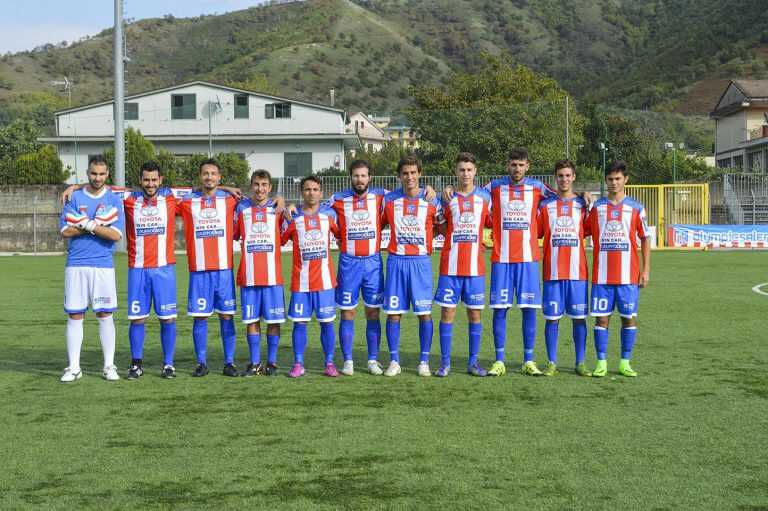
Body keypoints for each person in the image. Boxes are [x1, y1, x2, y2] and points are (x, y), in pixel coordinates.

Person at [482, 148, 556, 376]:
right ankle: (499, 360)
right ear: (508, 165)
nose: (517, 169)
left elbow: (562, 196)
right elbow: (472, 193)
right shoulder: (495, 186)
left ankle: (528, 360)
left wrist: (584, 196)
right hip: (502, 259)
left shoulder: (537, 187)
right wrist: (446, 189)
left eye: (521, 165)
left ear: (527, 166)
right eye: (513, 164)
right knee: (500, 309)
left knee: (529, 309)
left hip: (528, 259)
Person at [59, 155, 125, 382]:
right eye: (94, 173)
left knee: (105, 314)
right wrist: (96, 225)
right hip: (76, 264)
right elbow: (65, 231)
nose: (97, 178)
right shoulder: (74, 196)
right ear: (87, 173)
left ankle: (109, 366)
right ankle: (74, 367)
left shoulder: (114, 199)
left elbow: (115, 235)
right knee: (75, 314)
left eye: (102, 174)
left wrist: (84, 222)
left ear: (108, 174)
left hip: (103, 266)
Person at [585, 161, 651, 377]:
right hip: (602, 276)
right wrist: (583, 201)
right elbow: (582, 230)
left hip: (628, 276)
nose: (614, 183)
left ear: (626, 180)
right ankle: (601, 363)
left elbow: (645, 238)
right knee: (601, 320)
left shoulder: (636, 207)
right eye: (610, 179)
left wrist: (646, 270)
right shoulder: (597, 208)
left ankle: (625, 362)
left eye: (618, 179)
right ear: (606, 181)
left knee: (628, 318)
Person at [380, 155, 445, 377]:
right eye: (405, 173)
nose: (409, 177)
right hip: (396, 262)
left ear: (420, 174)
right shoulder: (389, 200)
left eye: (413, 173)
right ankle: (394, 361)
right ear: (399, 176)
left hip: (420, 263)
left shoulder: (431, 200)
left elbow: (442, 227)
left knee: (424, 313)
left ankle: (424, 361)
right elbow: (376, 221)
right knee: (393, 314)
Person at [177, 159, 240, 377]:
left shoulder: (230, 200)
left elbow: (260, 200)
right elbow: (162, 195)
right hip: (199, 271)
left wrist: (281, 199)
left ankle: (229, 362)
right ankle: (201, 363)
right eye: (205, 173)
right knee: (200, 317)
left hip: (224, 270)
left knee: (226, 316)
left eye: (213, 174)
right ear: (200, 177)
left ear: (219, 177)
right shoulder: (188, 201)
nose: (209, 177)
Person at [328, 160, 388, 376]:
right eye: (356, 176)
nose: (359, 179)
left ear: (370, 177)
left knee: (373, 311)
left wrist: (430, 190)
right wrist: (286, 204)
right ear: (350, 177)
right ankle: (348, 360)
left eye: (363, 175)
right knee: (348, 311)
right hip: (349, 263)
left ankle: (372, 360)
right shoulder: (337, 199)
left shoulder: (382, 196)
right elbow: (315, 209)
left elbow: (409, 194)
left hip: (373, 263)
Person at [433, 153, 490, 377]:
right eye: (461, 170)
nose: (465, 174)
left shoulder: (485, 198)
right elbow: (440, 227)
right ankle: (445, 363)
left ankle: (473, 363)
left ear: (475, 172)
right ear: (455, 172)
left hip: (475, 268)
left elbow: (493, 222)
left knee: (475, 315)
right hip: (450, 267)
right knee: (447, 313)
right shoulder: (447, 198)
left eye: (469, 170)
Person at [122, 162, 179, 379]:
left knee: (168, 319)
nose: (150, 184)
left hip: (164, 269)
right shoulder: (129, 199)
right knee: (137, 319)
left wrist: (228, 188)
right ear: (140, 180)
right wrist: (75, 187)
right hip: (138, 270)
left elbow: (203, 189)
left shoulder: (171, 197)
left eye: (154, 179)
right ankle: (136, 364)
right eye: (146, 179)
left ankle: (168, 364)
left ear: (161, 180)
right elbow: (101, 187)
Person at [281, 175, 341, 378]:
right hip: (301, 283)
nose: (311, 193)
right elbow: (281, 239)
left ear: (321, 193)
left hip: (325, 282)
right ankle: (298, 363)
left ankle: (329, 363)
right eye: (307, 189)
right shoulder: (294, 218)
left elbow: (341, 235)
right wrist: (286, 208)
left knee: (327, 323)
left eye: (315, 189)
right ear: (302, 193)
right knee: (300, 323)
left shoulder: (329, 216)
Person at [538, 160, 591, 377]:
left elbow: (590, 230)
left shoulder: (583, 205)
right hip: (552, 272)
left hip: (578, 272)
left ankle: (580, 362)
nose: (564, 179)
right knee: (552, 319)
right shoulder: (545, 206)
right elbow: (537, 233)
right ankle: (552, 362)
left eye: (568, 175)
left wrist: (586, 195)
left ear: (574, 177)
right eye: (560, 175)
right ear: (555, 178)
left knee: (579, 318)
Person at [234, 169, 285, 376]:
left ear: (270, 188)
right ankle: (255, 363)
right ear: (251, 186)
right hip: (249, 276)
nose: (260, 189)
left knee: (273, 321)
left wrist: (285, 203)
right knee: (251, 320)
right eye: (256, 184)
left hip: (273, 276)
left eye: (264, 185)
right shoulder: (241, 208)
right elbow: (234, 233)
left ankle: (272, 362)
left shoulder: (277, 209)